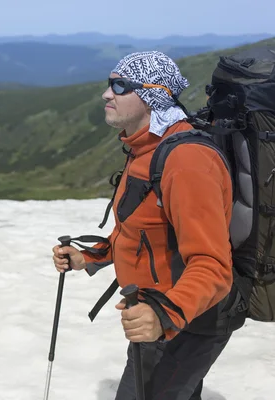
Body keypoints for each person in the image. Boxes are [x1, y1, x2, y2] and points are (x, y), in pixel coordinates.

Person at [52, 51, 235, 400]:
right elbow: (139, 230)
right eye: (109, 84)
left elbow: (212, 264)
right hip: (159, 310)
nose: (107, 94)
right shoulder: (144, 150)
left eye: (120, 86)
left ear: (154, 94)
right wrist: (87, 257)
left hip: (190, 316)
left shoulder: (186, 161)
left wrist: (164, 314)